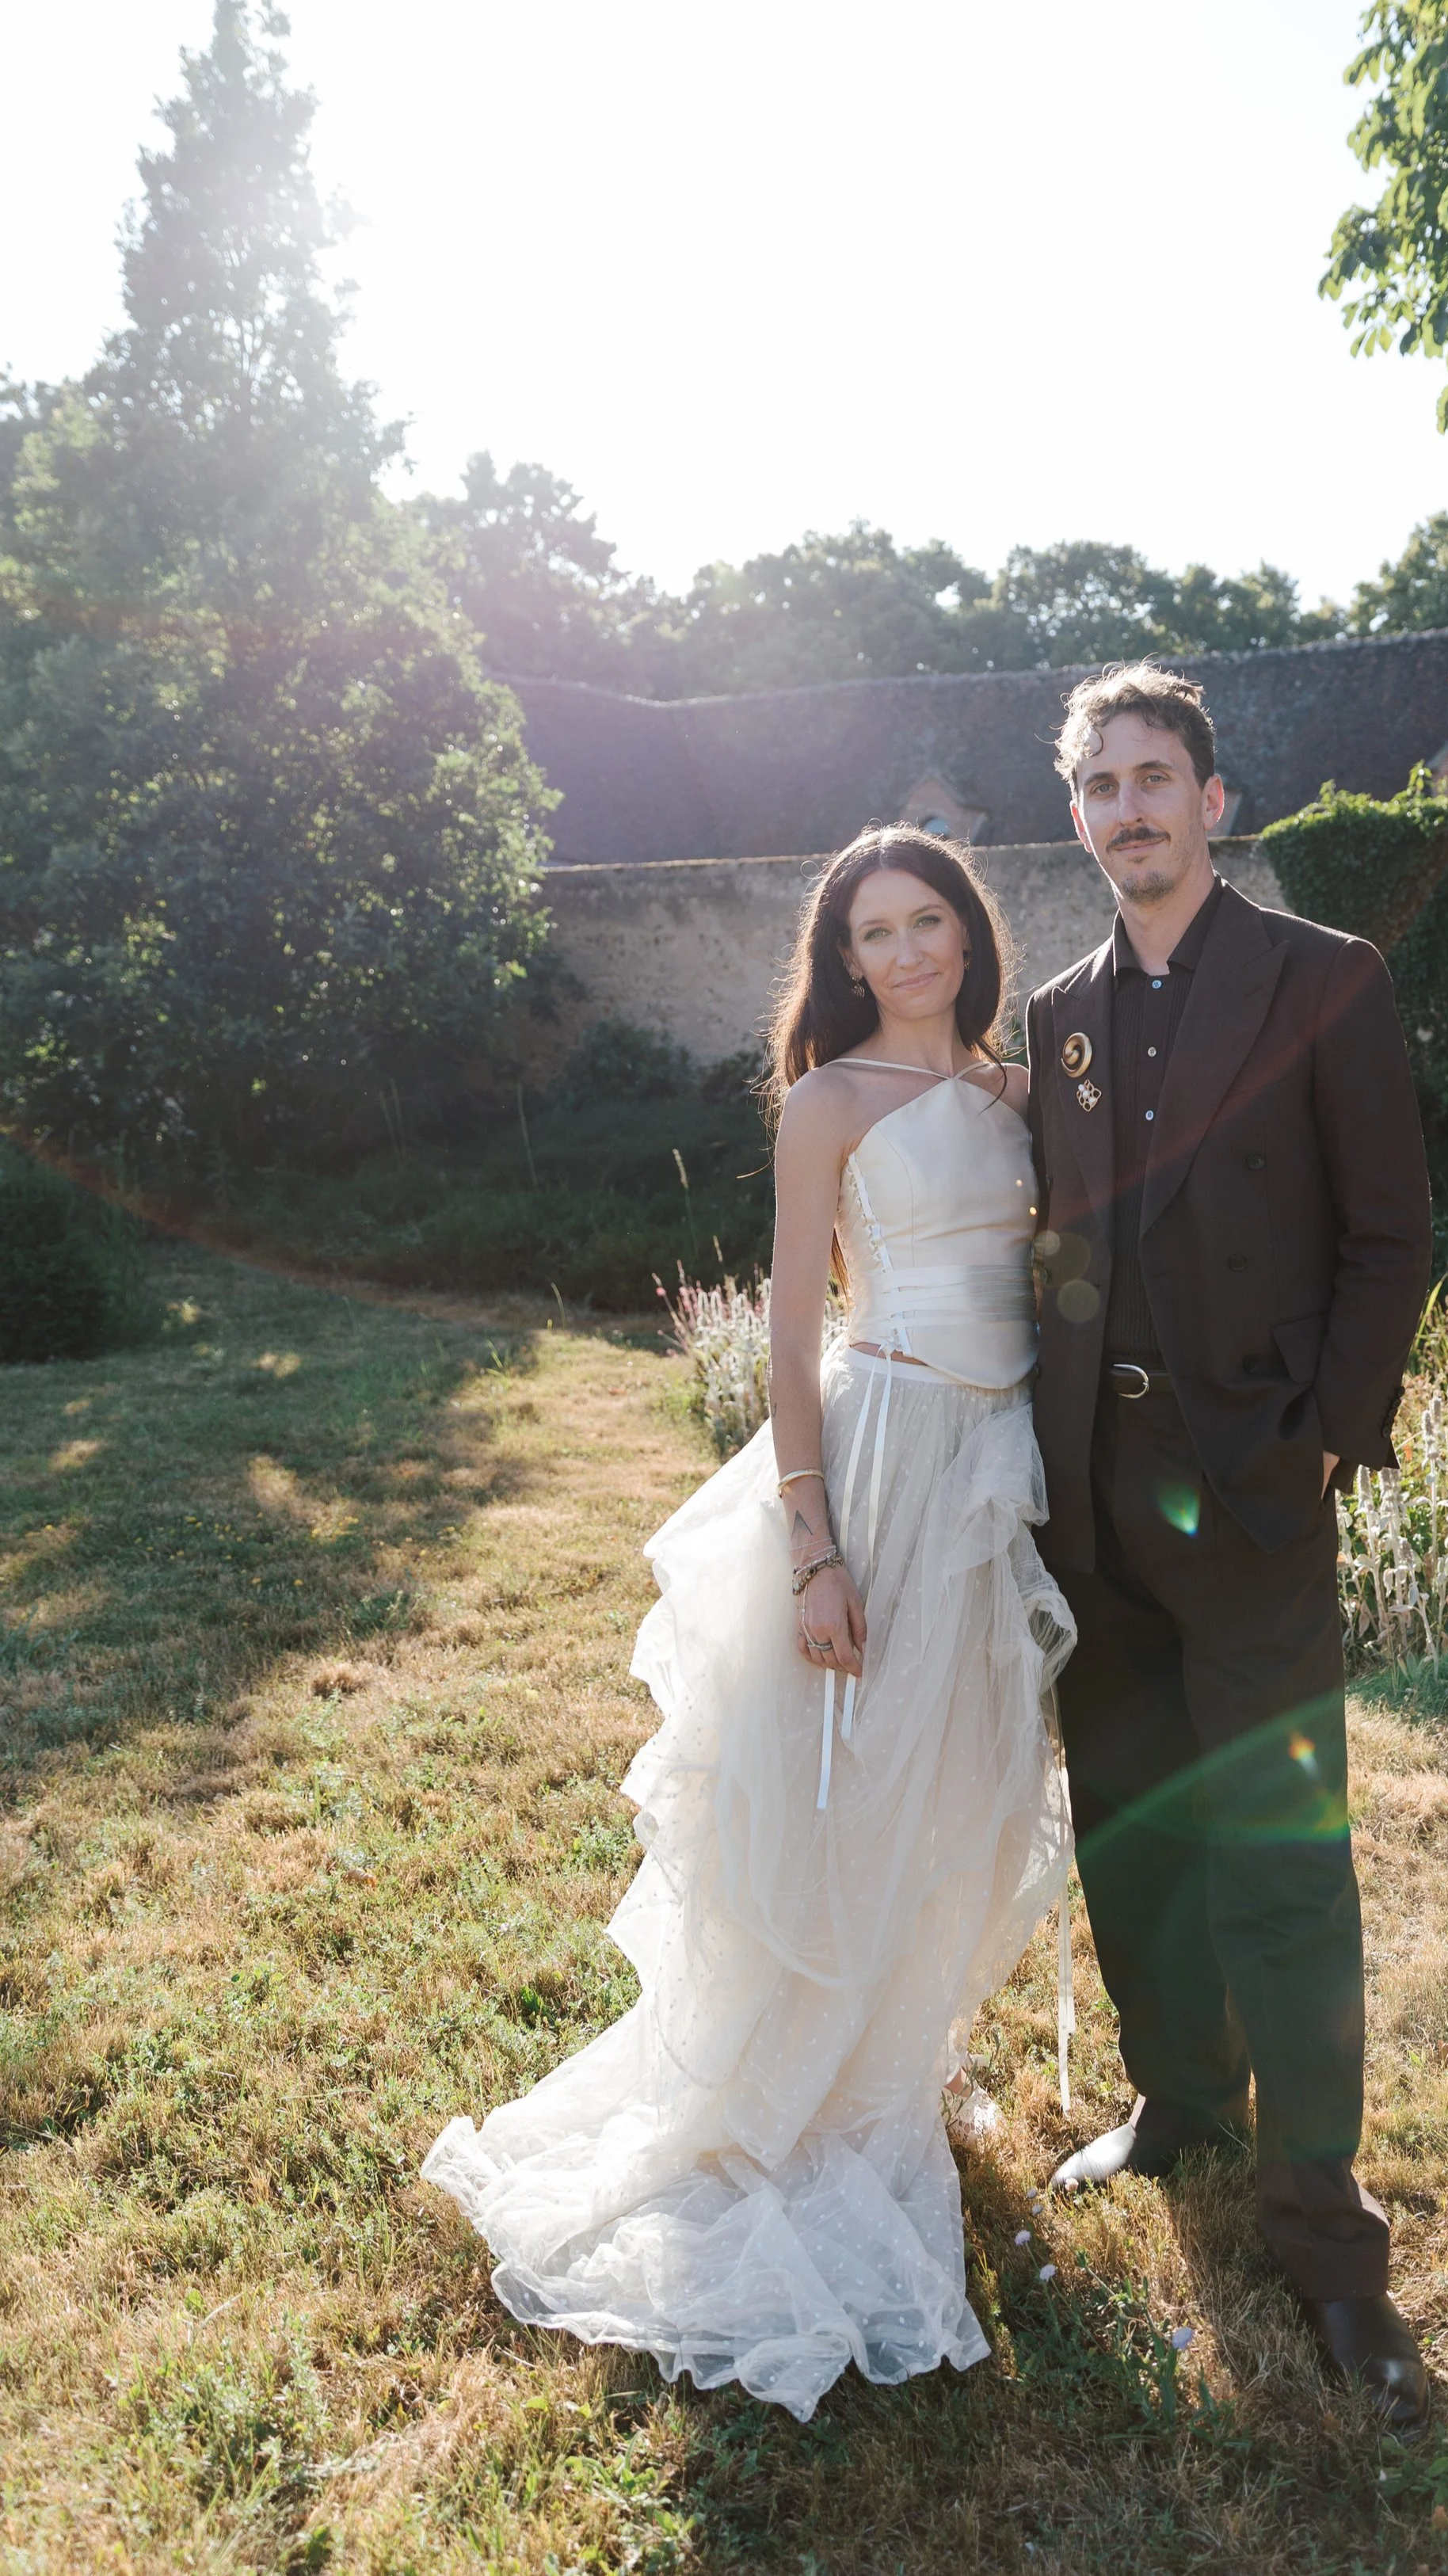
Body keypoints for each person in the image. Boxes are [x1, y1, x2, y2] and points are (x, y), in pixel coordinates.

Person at [423, 829, 1073, 2423]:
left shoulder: (1011, 1093)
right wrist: (813, 1549)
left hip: (999, 1469)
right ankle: (813, 2087)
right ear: (842, 958)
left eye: (929, 921)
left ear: (965, 934)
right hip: (885, 1459)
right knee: (847, 1797)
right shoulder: (830, 1103)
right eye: (875, 931)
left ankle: (898, 2049)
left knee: (965, 1784)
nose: (908, 949)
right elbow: (794, 1329)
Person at [1025, 663, 1435, 2433]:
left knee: (1280, 1858)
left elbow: (1387, 1233)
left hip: (1250, 1492)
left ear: (1210, 795)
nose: (1128, 808)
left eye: (1153, 776)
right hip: (1091, 1491)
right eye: (1099, 786)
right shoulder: (1052, 1012)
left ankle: (1326, 2241)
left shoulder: (1322, 977)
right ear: (1078, 817)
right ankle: (1176, 2097)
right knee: (1133, 1823)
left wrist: (1317, 1445)